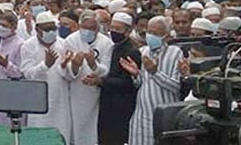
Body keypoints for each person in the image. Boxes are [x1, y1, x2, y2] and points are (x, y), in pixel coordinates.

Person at [121, 16, 184, 145]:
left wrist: (155, 72)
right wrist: (135, 74)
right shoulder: (142, 51)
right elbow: (139, 84)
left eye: (155, 33)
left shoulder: (175, 52)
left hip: (164, 116)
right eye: (149, 32)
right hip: (141, 116)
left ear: (166, 36)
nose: (150, 36)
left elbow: (176, 87)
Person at [61, 9, 114, 145]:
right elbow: (65, 70)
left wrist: (93, 65)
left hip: (95, 94)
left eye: (91, 28)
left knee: (92, 131)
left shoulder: (106, 43)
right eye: (84, 28)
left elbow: (106, 71)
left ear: (97, 29)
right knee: (75, 129)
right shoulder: (70, 40)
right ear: (79, 26)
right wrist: (75, 66)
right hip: (75, 92)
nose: (87, 31)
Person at [20, 12, 71, 143]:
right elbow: (28, 74)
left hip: (60, 100)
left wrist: (66, 66)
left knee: (60, 135)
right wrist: (45, 65)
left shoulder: (64, 44)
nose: (51, 32)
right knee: (38, 137)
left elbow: (70, 75)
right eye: (47, 29)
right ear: (37, 29)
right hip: (38, 99)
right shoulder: (28, 45)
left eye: (53, 29)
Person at [95, 12, 141, 145]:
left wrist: (101, 81)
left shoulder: (131, 51)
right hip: (107, 103)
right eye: (112, 28)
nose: (114, 32)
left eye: (118, 29)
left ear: (128, 31)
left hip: (122, 105)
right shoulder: (112, 47)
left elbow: (128, 82)